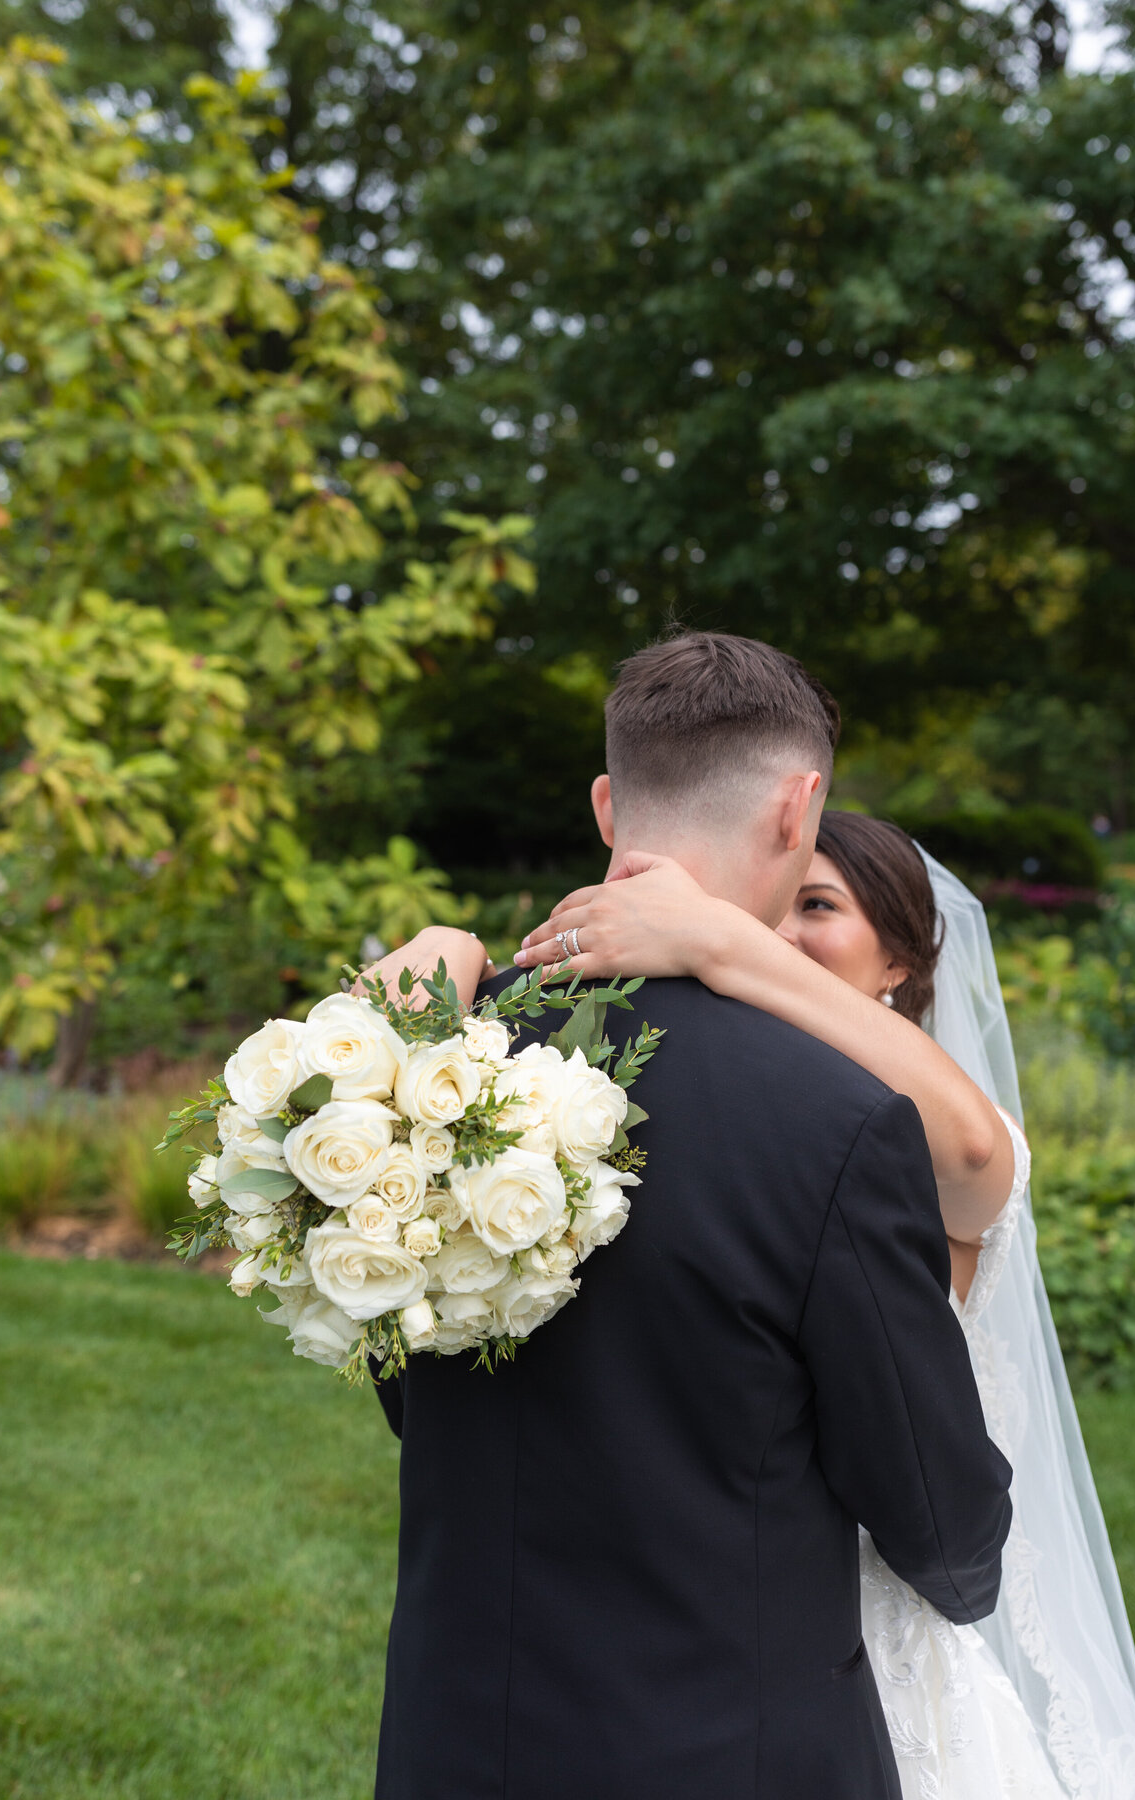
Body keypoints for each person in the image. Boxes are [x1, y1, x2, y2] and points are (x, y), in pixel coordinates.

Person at [409, 810, 1135, 1797]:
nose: (780, 937)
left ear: (901, 956)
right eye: (774, 909)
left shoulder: (932, 1138)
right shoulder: (720, 1101)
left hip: (878, 1617)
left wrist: (722, 940)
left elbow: (980, 1159)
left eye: (821, 907)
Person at [370, 631, 1012, 1800]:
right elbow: (937, 1517)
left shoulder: (420, 1067)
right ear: (799, 807)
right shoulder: (846, 1116)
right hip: (725, 1752)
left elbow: (410, 1377)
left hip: (456, 1733)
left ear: (610, 805)